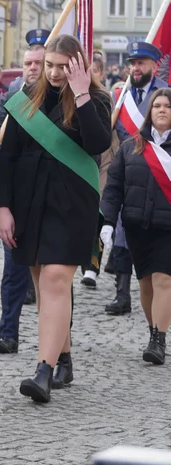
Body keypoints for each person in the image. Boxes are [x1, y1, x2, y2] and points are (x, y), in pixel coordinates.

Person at [0, 34, 112, 403]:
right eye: (50, 65)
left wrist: (80, 95)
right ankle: (63, 356)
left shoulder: (96, 100)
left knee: (56, 279)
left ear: (78, 65)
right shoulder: (27, 99)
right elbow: (9, 157)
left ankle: (42, 371)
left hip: (72, 204)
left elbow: (97, 144)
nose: (56, 72)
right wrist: (3, 208)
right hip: (29, 203)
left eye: (65, 66)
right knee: (44, 284)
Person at [0, 29, 48, 355]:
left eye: (38, 62)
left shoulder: (59, 95)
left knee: (52, 273)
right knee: (13, 269)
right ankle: (9, 333)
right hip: (17, 196)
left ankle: (60, 342)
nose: (32, 67)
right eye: (27, 62)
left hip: (50, 195)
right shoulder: (14, 92)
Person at [101, 88, 171, 364]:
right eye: (157, 106)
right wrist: (107, 221)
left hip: (168, 227)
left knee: (163, 279)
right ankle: (153, 329)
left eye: (167, 106)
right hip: (137, 226)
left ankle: (159, 340)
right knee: (145, 284)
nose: (162, 110)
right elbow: (114, 187)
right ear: (149, 112)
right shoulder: (131, 147)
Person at [106, 41, 168, 315]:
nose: (135, 68)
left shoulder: (163, 93)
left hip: (159, 176)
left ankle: (158, 328)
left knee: (158, 267)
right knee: (122, 238)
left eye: (141, 63)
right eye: (132, 63)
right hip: (128, 170)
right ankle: (122, 295)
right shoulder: (121, 94)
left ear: (154, 65)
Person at [80, 53, 121, 289]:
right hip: (83, 159)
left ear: (101, 73)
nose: (89, 75)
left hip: (105, 159)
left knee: (100, 212)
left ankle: (92, 267)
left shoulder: (108, 95)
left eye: (93, 70)